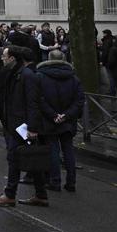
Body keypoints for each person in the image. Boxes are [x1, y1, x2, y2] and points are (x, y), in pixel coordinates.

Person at [0, 46, 49, 207]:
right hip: (16, 124)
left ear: (13, 58)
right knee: (32, 158)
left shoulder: (27, 76)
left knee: (14, 158)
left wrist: (32, 128)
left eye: (4, 56)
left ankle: (9, 194)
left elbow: (33, 103)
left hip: (22, 125)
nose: (2, 58)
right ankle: (41, 194)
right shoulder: (14, 74)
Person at [36, 50, 85, 192]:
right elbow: (79, 100)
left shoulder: (40, 76)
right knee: (68, 150)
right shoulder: (73, 78)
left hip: (48, 119)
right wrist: (67, 115)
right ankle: (71, 182)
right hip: (68, 120)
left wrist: (53, 115)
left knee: (53, 150)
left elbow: (39, 99)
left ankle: (55, 181)